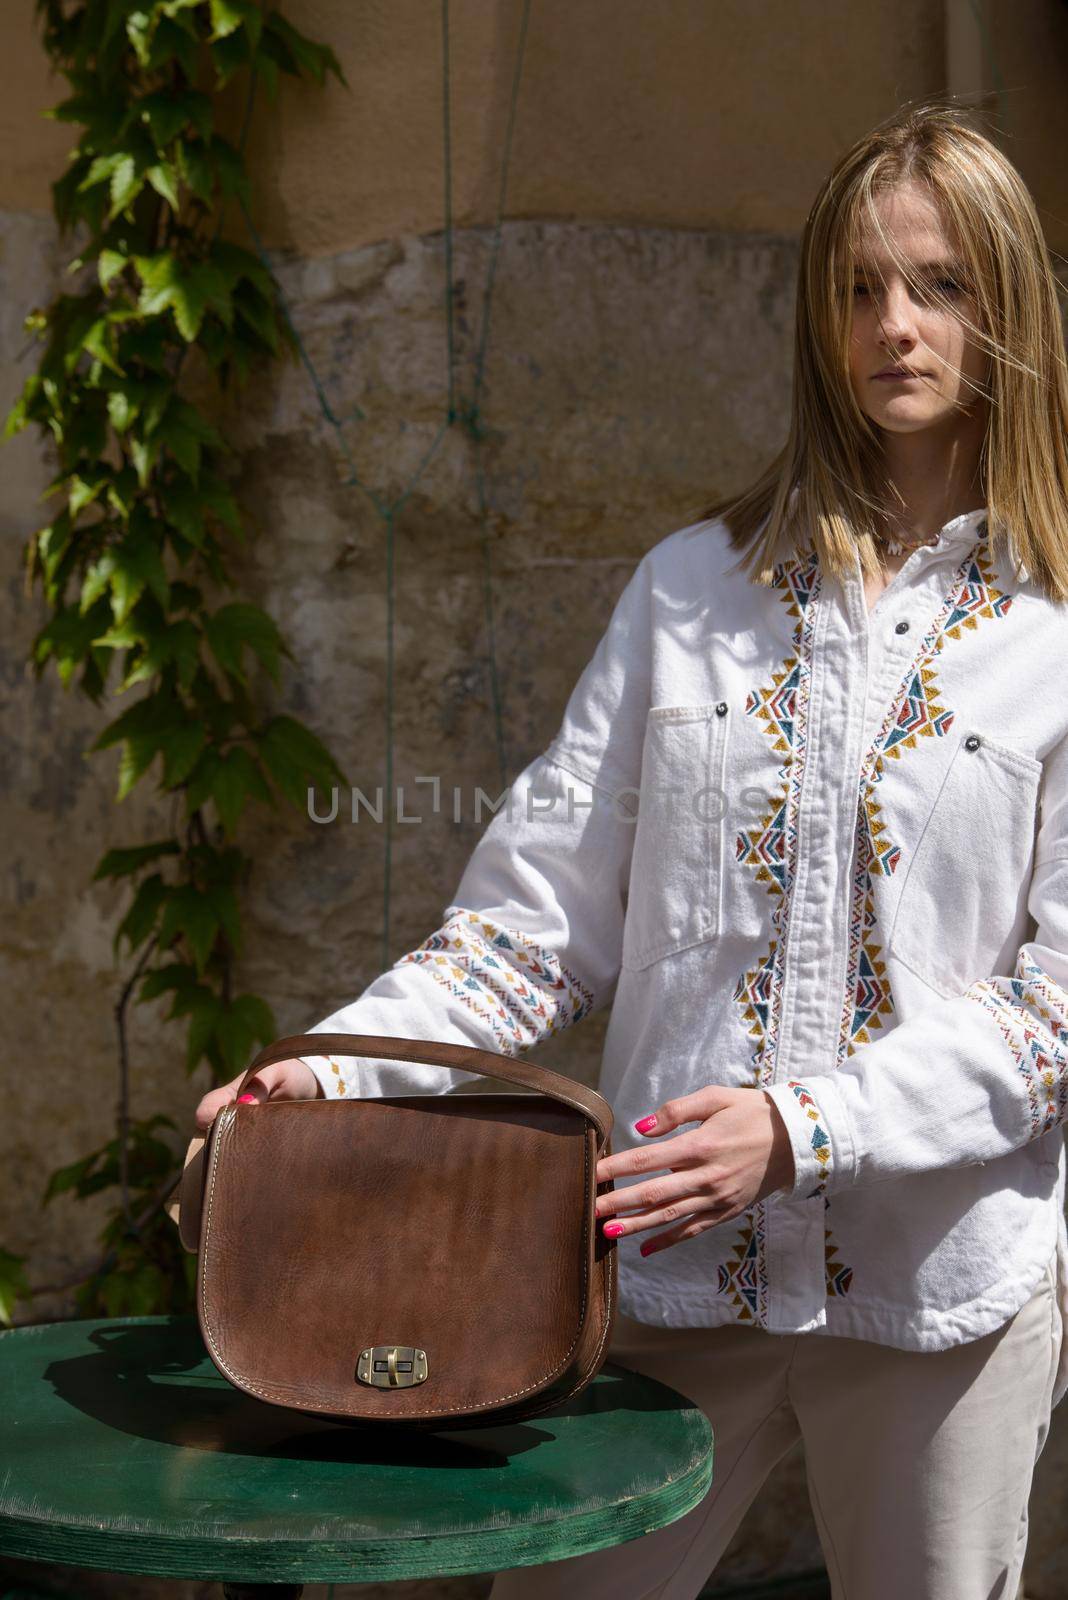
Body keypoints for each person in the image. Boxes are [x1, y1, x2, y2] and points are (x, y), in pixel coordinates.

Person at [195, 99, 1068, 1598]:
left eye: (941, 285)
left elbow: (1057, 1007)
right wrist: (325, 1073)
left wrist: (805, 1128)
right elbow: (529, 926)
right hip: (651, 1277)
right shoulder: (690, 593)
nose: (895, 327)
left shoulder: (1058, 636)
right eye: (858, 287)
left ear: (1011, 303)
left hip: (941, 1294)